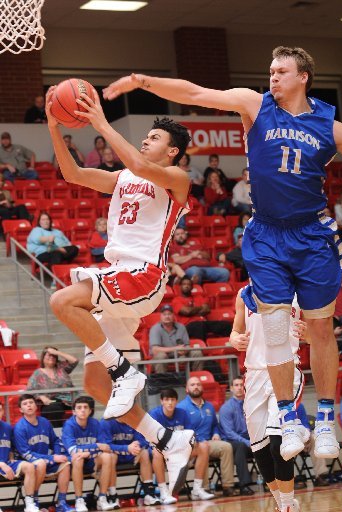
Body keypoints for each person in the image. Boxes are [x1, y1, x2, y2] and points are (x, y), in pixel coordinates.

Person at [103, 45, 342, 462]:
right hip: (266, 233)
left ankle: (324, 418)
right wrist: (142, 81)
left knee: (321, 330)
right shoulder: (255, 104)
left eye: (281, 71)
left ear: (303, 76)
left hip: (312, 235)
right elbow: (195, 93)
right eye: (270, 70)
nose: (273, 77)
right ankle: (289, 418)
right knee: (275, 330)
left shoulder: (330, 125)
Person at [46, 86, 195, 496]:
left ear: (173, 153)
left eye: (156, 138)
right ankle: (168, 440)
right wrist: (54, 126)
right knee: (96, 387)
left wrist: (99, 122)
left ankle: (124, 371)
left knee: (62, 300)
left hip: (142, 275)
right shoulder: (124, 177)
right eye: (147, 135)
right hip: (120, 280)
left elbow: (135, 160)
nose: (148, 139)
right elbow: (72, 174)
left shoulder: (176, 180)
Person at [229, 286, 304, 512]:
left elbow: (317, 331)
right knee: (260, 450)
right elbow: (235, 330)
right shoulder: (243, 294)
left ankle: (287, 506)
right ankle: (283, 504)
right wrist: (235, 339)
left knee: (278, 443)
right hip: (254, 375)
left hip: (286, 370)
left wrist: (307, 333)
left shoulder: (299, 292)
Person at [150, 388, 214, 502]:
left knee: (204, 446)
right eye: (167, 399)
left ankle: (197, 489)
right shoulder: (155, 414)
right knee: (156, 452)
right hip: (163, 451)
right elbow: (152, 439)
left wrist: (195, 441)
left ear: (176, 401)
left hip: (180, 449)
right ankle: (164, 492)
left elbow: (190, 432)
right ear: (161, 401)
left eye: (172, 400)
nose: (170, 402)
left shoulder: (182, 413)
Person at [178, 377, 235, 496]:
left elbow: (215, 425)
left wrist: (216, 433)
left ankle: (227, 486)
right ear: (187, 389)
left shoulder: (209, 406)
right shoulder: (181, 407)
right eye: (192, 385)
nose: (196, 387)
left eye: (198, 384)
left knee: (226, 447)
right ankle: (203, 488)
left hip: (209, 442)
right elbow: (181, 431)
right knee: (202, 449)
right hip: (192, 445)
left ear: (202, 388)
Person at [13, 394, 71, 512]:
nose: (29, 405)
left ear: (36, 406)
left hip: (45, 459)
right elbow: (26, 454)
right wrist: (52, 457)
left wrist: (57, 454)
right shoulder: (19, 427)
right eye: (25, 404)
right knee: (40, 463)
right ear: (20, 409)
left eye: (31, 402)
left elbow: (55, 440)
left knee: (66, 464)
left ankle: (61, 502)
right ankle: (34, 500)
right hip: (27, 463)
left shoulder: (44, 422)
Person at [62, 396, 113, 512]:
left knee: (107, 457)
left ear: (90, 411)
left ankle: (102, 498)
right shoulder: (69, 425)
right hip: (73, 462)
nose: (83, 410)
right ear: (74, 411)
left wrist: (87, 452)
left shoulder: (95, 423)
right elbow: (73, 450)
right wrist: (94, 447)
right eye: (79, 408)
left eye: (85, 407)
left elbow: (104, 447)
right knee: (78, 458)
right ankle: (79, 500)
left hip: (91, 459)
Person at [98, 418, 159, 507]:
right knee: (110, 456)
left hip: (131, 453)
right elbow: (106, 446)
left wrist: (138, 444)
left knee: (144, 453)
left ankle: (149, 494)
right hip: (115, 455)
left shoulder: (134, 420)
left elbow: (145, 440)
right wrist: (127, 448)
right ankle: (113, 496)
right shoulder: (106, 422)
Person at [219, 376, 255, 496]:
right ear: (231, 388)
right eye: (236, 385)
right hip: (232, 441)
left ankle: (271, 481)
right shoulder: (226, 408)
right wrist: (247, 442)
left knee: (267, 443)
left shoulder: (251, 405)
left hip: (249, 439)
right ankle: (244, 485)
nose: (239, 388)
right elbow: (229, 433)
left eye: (241, 385)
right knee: (240, 447)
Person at [0, 401, 39, 512]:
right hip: (1, 464)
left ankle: (30, 503)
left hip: (6, 463)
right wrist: (1, 464)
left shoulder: (7, 427)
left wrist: (11, 457)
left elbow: (11, 446)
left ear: (2, 411)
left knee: (29, 467)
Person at [26, 346, 78, 427]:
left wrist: (57, 352)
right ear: (43, 357)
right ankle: (58, 434)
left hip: (70, 400)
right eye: (49, 355)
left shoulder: (61, 367)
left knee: (87, 402)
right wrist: (41, 397)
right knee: (54, 408)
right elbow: (29, 391)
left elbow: (75, 361)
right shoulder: (37, 374)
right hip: (51, 402)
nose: (52, 357)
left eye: (54, 355)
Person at [171, 276, 232, 340]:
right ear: (180, 286)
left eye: (189, 284)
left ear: (192, 287)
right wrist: (200, 308)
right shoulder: (176, 300)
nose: (186, 286)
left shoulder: (198, 297)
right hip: (187, 325)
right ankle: (202, 349)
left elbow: (207, 310)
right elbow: (187, 311)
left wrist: (192, 311)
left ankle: (227, 345)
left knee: (226, 325)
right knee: (199, 326)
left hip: (203, 323)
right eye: (184, 284)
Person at [149, 304, 204, 372]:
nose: (167, 316)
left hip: (180, 356)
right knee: (161, 356)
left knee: (197, 352)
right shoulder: (155, 329)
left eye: (169, 314)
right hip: (165, 356)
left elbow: (187, 345)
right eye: (164, 314)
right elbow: (155, 350)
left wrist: (184, 350)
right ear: (160, 316)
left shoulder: (181, 327)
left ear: (173, 316)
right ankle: (162, 381)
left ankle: (196, 379)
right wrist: (175, 349)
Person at [295, 403, 330, 488]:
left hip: (300, 435)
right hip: (285, 437)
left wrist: (307, 436)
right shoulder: (276, 405)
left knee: (315, 439)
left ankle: (320, 475)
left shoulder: (299, 405)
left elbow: (305, 422)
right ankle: (295, 478)